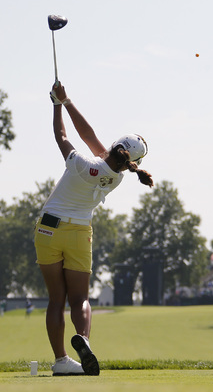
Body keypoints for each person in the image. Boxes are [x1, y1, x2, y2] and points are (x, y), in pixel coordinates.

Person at [34, 83, 153, 376]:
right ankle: (83, 339)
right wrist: (66, 100)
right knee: (80, 300)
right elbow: (90, 138)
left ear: (115, 145)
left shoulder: (81, 163)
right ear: (131, 163)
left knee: (55, 300)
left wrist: (58, 103)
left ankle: (61, 360)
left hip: (48, 229)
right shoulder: (117, 178)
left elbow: (63, 135)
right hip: (78, 233)